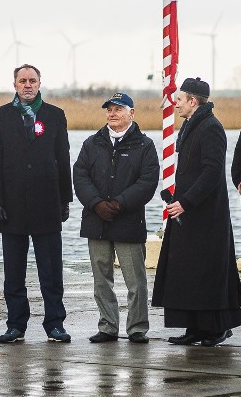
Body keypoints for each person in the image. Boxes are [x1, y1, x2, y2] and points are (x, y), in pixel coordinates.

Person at [151, 77, 241, 346]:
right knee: (187, 271)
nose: (175, 104)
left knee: (207, 272)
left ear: (193, 101)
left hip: (206, 216)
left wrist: (186, 202)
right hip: (187, 213)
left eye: (179, 100)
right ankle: (194, 327)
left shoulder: (211, 128)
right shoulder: (193, 125)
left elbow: (212, 172)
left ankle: (216, 328)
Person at [0, 64, 73, 343]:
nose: (27, 85)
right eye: (22, 81)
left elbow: (63, 158)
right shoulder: (0, 116)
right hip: (11, 208)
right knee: (14, 273)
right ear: (14, 84)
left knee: (51, 271)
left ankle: (55, 323)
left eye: (32, 81)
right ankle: (16, 325)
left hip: (47, 204)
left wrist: (65, 199)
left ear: (39, 83)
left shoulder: (55, 115)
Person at [73, 92, 159, 344]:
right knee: (101, 279)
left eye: (118, 109)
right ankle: (108, 326)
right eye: (109, 109)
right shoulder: (92, 143)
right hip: (96, 220)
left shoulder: (144, 145)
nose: (112, 113)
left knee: (136, 280)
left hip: (128, 221)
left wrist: (120, 203)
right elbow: (80, 176)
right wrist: (96, 203)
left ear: (131, 113)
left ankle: (137, 328)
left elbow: (147, 181)